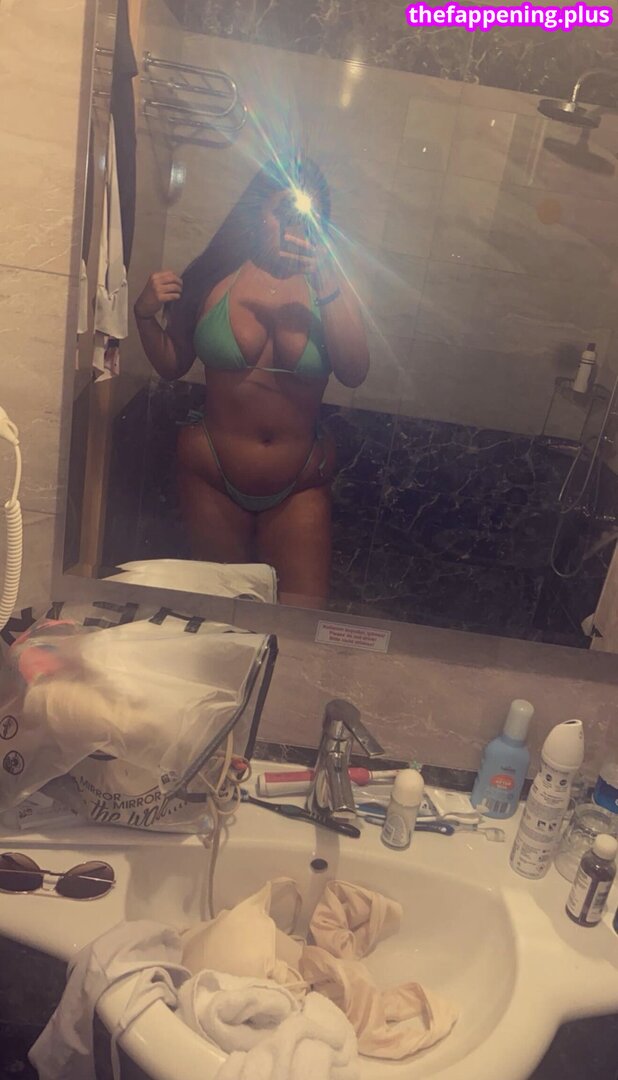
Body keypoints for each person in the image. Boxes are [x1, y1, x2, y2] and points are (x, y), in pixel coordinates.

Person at [134, 159, 369, 607]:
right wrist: (144, 317)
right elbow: (172, 365)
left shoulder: (332, 288)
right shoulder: (215, 275)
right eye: (284, 212)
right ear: (258, 212)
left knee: (300, 619)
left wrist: (325, 280)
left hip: (298, 484)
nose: (294, 227)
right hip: (211, 473)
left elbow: (354, 371)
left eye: (308, 217)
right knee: (219, 617)